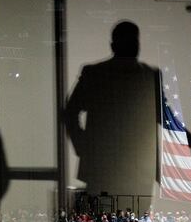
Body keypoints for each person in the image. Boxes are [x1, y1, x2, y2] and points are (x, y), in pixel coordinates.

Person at [64, 20, 161, 197]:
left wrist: (84, 148)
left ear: (113, 45)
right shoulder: (149, 76)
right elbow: (163, 116)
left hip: (106, 168)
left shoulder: (95, 74)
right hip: (132, 170)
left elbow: (70, 113)